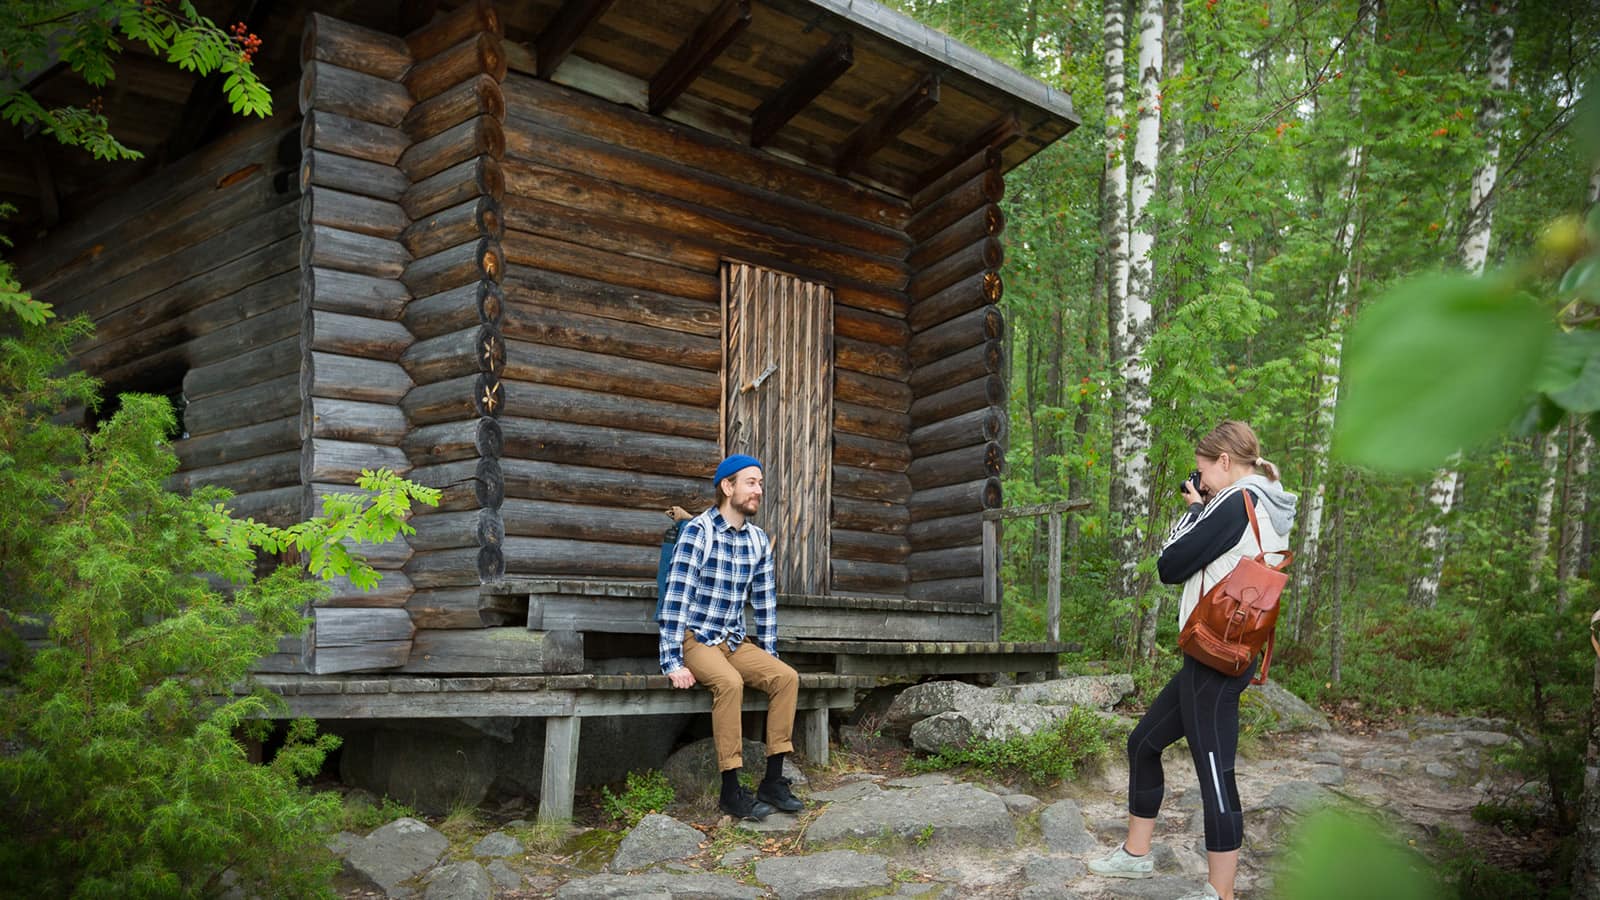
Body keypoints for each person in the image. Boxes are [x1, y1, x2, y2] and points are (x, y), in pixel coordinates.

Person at [1087, 421, 1297, 900]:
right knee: (1144, 742)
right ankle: (1137, 857)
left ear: (1224, 462)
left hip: (1217, 660)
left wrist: (1194, 512)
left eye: (1203, 471)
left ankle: (1219, 893)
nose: (1199, 480)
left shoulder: (1233, 503)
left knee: (1215, 773)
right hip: (1216, 653)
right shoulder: (1266, 497)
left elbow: (1169, 565)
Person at [657, 454, 804, 821]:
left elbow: (765, 604)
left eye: (759, 483)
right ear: (727, 487)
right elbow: (676, 597)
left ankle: (772, 780)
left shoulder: (757, 540)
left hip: (734, 640)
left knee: (786, 677)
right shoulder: (698, 532)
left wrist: (769, 657)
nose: (759, 490)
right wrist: (672, 661)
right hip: (697, 639)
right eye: (751, 483)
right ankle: (730, 790)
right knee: (730, 683)